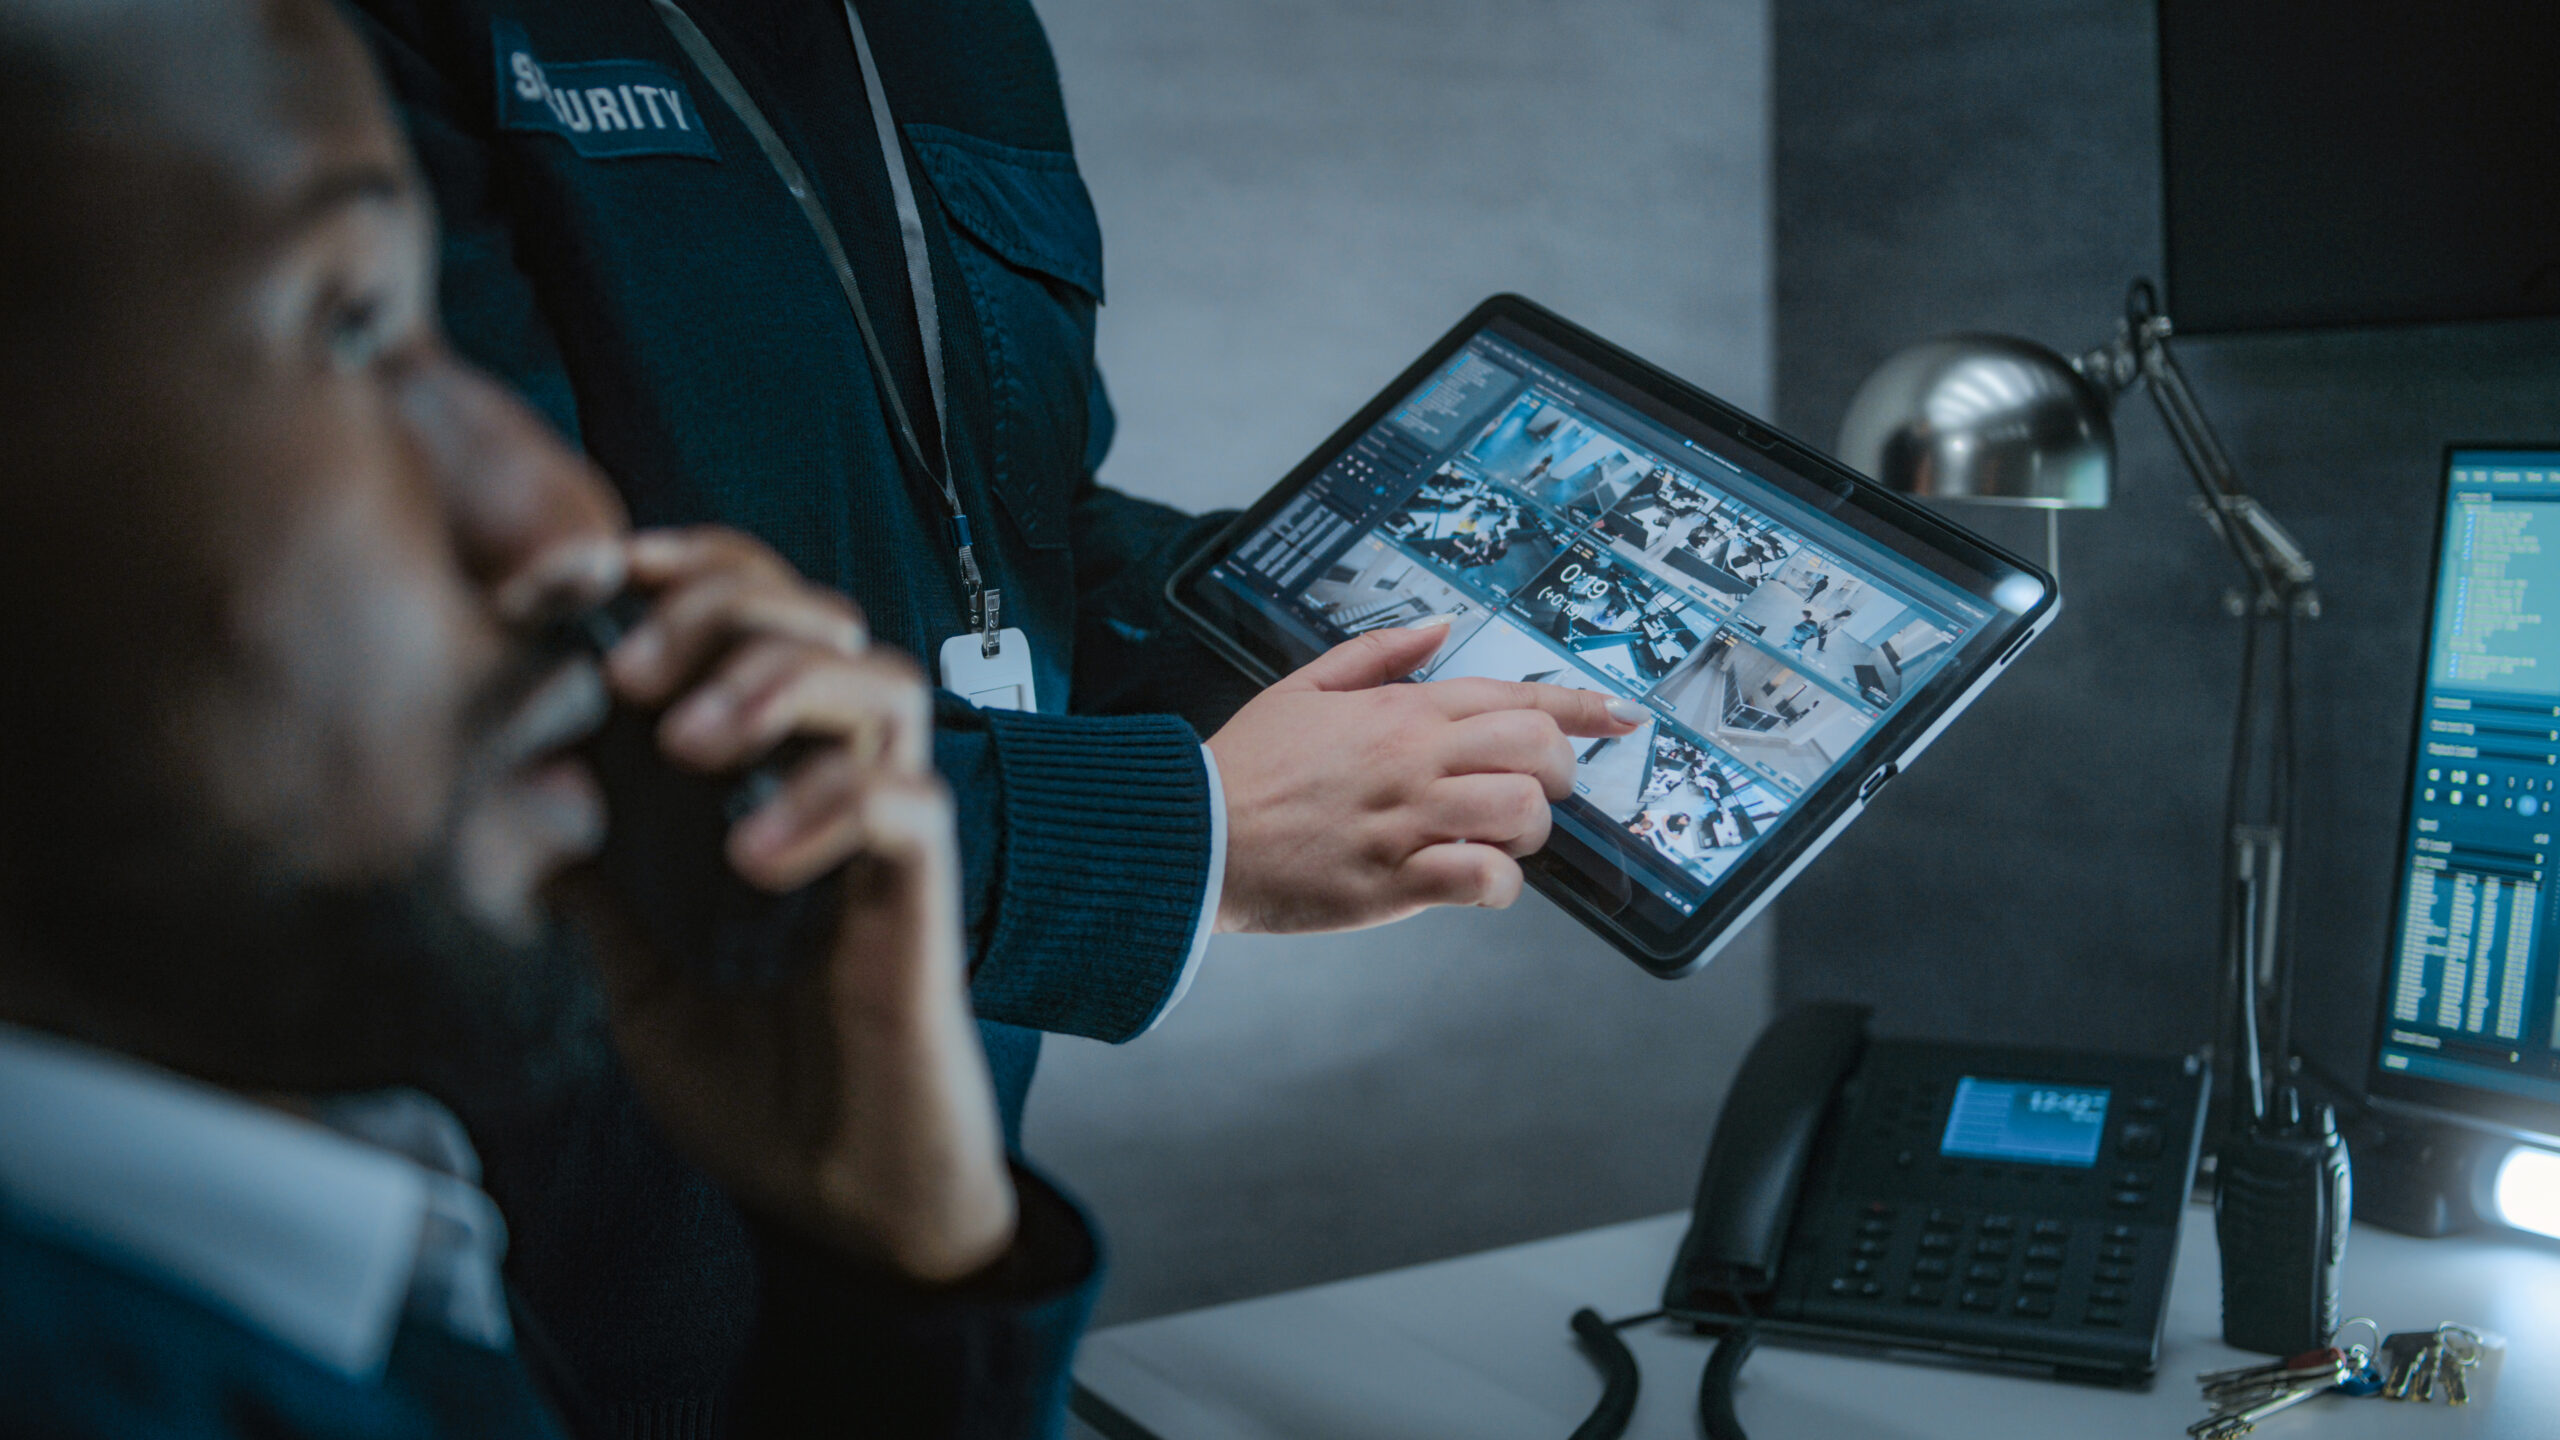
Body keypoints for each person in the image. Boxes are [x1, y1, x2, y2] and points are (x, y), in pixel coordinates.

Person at [344, 2, 1644, 1427]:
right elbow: (448, 700)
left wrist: (1369, 628)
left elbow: (1025, 528)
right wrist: (1183, 839)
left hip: (912, 1239)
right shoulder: (377, 39)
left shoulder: (963, 32)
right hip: (540, 1252)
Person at [0, 1, 1088, 1433]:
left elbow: (1033, 517)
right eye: (353, 321)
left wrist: (899, 1284)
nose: (563, 526)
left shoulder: (349, 1245)